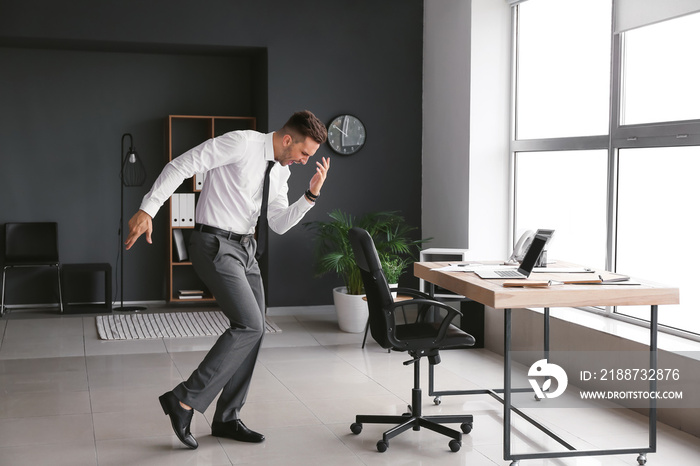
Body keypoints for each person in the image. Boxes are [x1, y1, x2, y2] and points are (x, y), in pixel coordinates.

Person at [124, 110, 330, 449]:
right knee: (248, 325)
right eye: (305, 153)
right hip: (214, 244)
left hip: (246, 249)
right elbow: (181, 164)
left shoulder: (281, 172)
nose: (306, 161)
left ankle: (227, 418)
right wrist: (149, 209)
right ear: (289, 139)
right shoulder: (241, 143)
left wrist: (309, 197)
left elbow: (277, 222)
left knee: (256, 330)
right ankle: (184, 400)